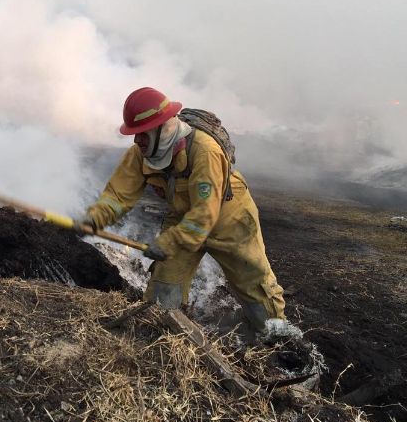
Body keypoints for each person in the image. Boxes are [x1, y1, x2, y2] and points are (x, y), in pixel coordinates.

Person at [79, 87, 286, 335]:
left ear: (162, 129)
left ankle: (276, 339)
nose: (136, 141)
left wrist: (169, 242)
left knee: (254, 282)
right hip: (183, 219)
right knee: (164, 286)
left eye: (141, 134)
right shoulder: (141, 153)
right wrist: (96, 217)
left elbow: (204, 215)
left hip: (230, 217)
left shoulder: (205, 151)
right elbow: (118, 194)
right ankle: (166, 340)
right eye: (134, 135)